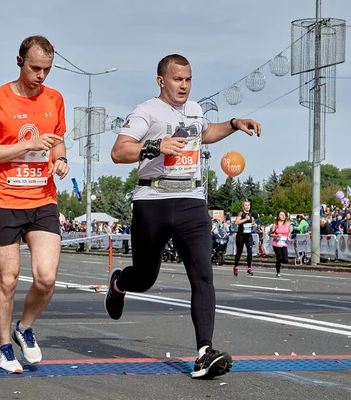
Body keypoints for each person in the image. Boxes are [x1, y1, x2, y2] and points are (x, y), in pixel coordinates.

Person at [106, 54, 261, 379]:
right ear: (161, 80)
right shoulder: (146, 111)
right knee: (145, 277)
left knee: (202, 276)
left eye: (188, 79)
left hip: (191, 200)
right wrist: (155, 146)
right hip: (153, 201)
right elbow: (119, 152)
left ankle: (205, 353)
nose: (184, 85)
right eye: (178, 79)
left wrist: (233, 124)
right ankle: (120, 283)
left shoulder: (195, 111)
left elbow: (205, 133)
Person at [0, 35, 68, 374]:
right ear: (19, 61)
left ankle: (24, 327)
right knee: (8, 279)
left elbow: (57, 145)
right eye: (35, 68)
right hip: (3, 200)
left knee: (46, 277)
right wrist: (26, 145)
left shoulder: (54, 99)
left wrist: (60, 160)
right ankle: (2, 347)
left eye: (47, 69)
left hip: (42, 197)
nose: (41, 75)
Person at [233, 201, 255, 277]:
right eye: (246, 205)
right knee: (239, 252)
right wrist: (245, 219)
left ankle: (249, 268)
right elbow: (236, 222)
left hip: (248, 235)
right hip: (241, 235)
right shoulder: (241, 213)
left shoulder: (251, 213)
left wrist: (254, 224)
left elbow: (252, 222)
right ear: (243, 206)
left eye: (249, 205)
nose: (247, 206)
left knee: (250, 251)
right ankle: (235, 266)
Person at [269, 211, 291, 278]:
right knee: (279, 258)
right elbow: (270, 234)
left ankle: (279, 262)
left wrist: (288, 237)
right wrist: (277, 235)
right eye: (281, 215)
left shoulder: (287, 224)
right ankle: (278, 272)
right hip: (276, 244)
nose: (283, 216)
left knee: (285, 260)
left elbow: (289, 232)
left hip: (284, 244)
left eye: (284, 215)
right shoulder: (275, 224)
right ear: (278, 217)